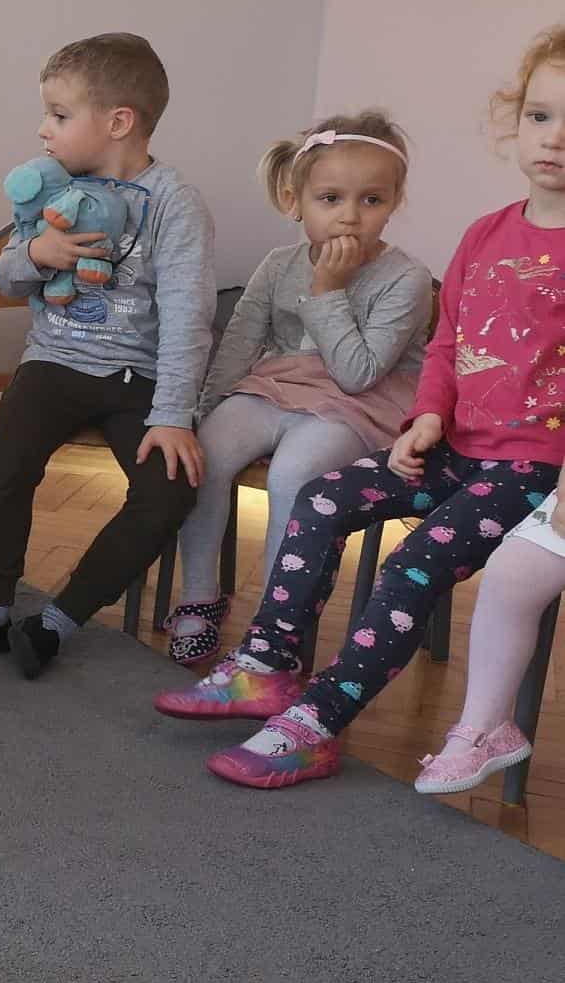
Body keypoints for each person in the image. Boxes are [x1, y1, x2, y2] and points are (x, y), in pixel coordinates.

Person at [162, 24, 565, 791]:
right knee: (319, 500)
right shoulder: (485, 234)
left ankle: (315, 724)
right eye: (540, 116)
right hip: (452, 446)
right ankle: (268, 664)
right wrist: (427, 415)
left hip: (531, 469)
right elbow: (448, 345)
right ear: (513, 121)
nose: (554, 137)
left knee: (410, 565)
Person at [0, 33, 216, 676]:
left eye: (59, 114)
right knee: (6, 465)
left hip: (140, 376)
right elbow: (5, 278)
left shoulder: (174, 202)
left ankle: (57, 621)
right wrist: (35, 254)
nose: (43, 129)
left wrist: (172, 415)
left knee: (169, 493)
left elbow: (189, 317)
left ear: (118, 122)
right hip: (54, 361)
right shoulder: (50, 187)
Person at [162, 114, 430, 667]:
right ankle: (200, 595)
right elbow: (240, 342)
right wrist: (205, 411)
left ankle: (273, 628)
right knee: (202, 455)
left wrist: (327, 291)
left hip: (357, 404)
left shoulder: (407, 278)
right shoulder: (278, 264)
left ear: (394, 203)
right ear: (296, 201)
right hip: (278, 386)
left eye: (372, 200)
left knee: (294, 475)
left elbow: (358, 374)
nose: (349, 216)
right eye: (330, 199)